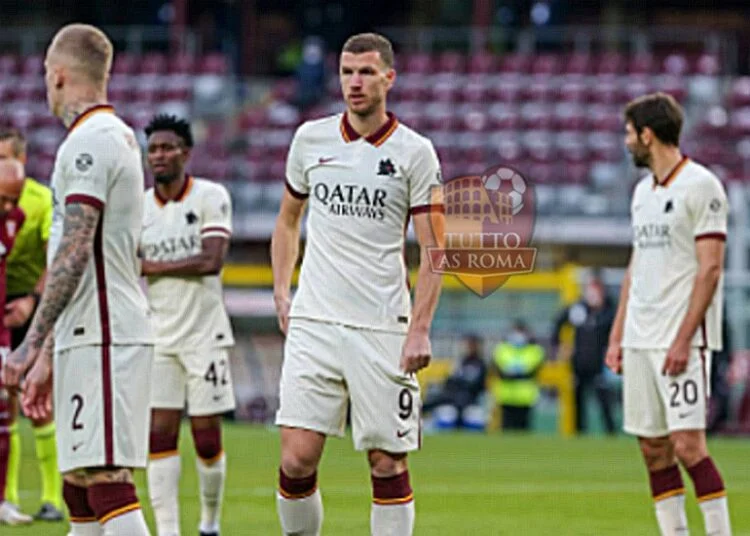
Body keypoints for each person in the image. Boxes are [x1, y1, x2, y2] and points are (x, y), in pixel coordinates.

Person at [271, 32, 444, 536]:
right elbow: (287, 221)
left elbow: (436, 250)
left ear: (389, 78)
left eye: (366, 72)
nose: (355, 83)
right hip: (316, 319)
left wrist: (420, 328)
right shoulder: (310, 140)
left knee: (386, 462)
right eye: (347, 72)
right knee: (297, 459)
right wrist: (283, 291)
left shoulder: (415, 152)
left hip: (382, 326)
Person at [1, 23, 154, 536]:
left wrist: (28, 347)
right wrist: (48, 356)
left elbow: (74, 251)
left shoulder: (92, 142)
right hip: (86, 333)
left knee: (106, 476)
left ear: (59, 75)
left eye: (46, 74)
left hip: (105, 333)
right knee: (79, 482)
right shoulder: (103, 138)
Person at [606, 92, 732, 536]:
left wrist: (684, 339)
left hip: (680, 339)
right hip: (640, 336)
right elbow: (636, 266)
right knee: (653, 449)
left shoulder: (702, 186)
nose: (626, 142)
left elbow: (711, 267)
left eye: (629, 133)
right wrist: (617, 334)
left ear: (647, 134)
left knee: (688, 446)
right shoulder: (642, 193)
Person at [141, 114, 235, 536]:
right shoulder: (139, 207)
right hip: (158, 336)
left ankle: (209, 523)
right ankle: (168, 531)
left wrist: (153, 265)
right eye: (153, 149)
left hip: (205, 336)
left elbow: (212, 260)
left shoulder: (210, 197)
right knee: (158, 435)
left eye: (167, 148)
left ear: (186, 153)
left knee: (206, 438)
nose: (159, 156)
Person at [0, 128, 63, 522]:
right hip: (3, 303)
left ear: (19, 161)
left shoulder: (39, 201)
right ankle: (5, 497)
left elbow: (54, 259)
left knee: (38, 402)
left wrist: (33, 301)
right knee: (5, 405)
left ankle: (52, 498)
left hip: (32, 306)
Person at [0, 160, 30, 526]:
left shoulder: (15, 219)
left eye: (15, 199)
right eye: (3, 199)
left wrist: (27, 302)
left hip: (1, 332)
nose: (10, 207)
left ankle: (1, 499)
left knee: (4, 416)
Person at [552, 275, 617, 435]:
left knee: (604, 401)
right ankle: (579, 432)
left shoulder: (609, 312)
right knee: (578, 401)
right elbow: (558, 323)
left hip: (600, 365)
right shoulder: (578, 309)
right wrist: (560, 346)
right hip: (579, 363)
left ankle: (610, 432)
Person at [422, 334, 487, 428]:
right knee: (437, 398)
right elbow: (451, 380)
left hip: (469, 397)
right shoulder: (462, 362)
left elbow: (477, 385)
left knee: (451, 400)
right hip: (455, 395)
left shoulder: (480, 364)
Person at [491, 320, 545, 431]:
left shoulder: (534, 350)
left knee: (523, 430)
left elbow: (532, 372)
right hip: (506, 397)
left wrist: (513, 373)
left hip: (525, 398)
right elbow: (500, 371)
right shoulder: (502, 349)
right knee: (506, 429)